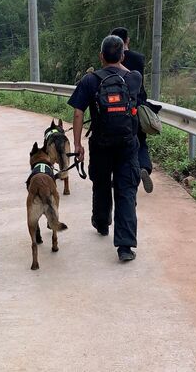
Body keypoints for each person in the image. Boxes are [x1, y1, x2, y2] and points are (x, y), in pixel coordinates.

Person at [68, 35, 142, 262]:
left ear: (100, 56)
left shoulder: (90, 81)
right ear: (122, 55)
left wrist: (78, 144)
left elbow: (78, 112)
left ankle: (101, 223)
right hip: (127, 144)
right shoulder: (134, 78)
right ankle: (125, 246)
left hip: (100, 143)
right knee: (126, 190)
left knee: (101, 184)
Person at [111, 26, 154, 193]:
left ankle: (119, 176)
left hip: (115, 108)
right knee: (140, 141)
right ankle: (143, 167)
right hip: (136, 106)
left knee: (117, 143)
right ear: (127, 40)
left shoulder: (111, 58)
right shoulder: (138, 58)